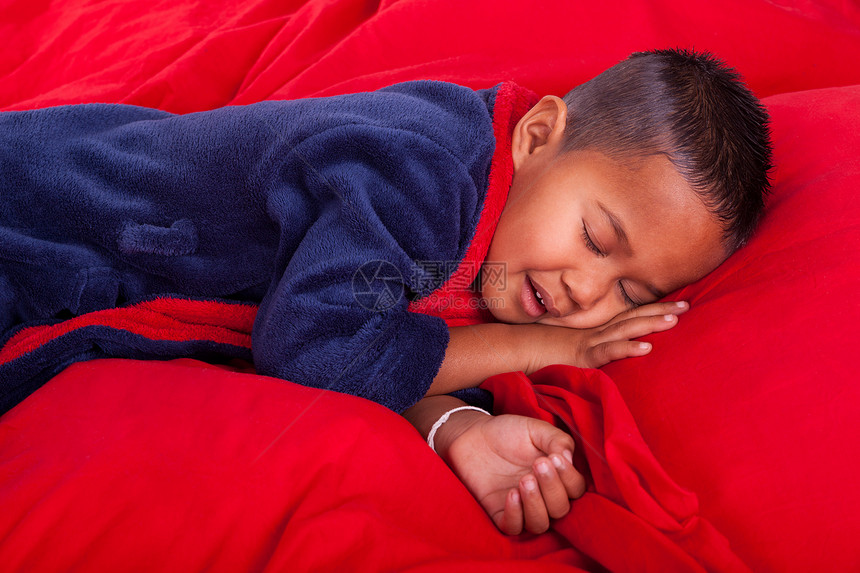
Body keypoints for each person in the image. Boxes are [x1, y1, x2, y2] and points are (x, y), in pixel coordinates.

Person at [0, 49, 771, 536]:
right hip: (47, 214)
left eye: (629, 289)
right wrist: (545, 348)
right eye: (597, 240)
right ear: (538, 135)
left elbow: (395, 320)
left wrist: (459, 426)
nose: (586, 292)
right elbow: (316, 345)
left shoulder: (509, 231)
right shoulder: (421, 176)